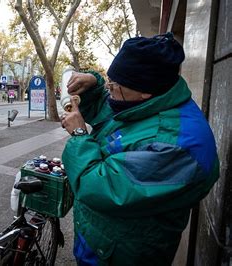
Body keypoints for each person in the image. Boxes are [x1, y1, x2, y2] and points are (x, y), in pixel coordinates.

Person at [60, 32, 219, 265]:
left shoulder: (178, 146)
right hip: (100, 240)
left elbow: (100, 186)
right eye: (110, 80)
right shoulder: (148, 100)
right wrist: (94, 85)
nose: (110, 89)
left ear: (144, 91)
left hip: (122, 253)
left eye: (115, 85)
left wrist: (79, 134)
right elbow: (110, 112)